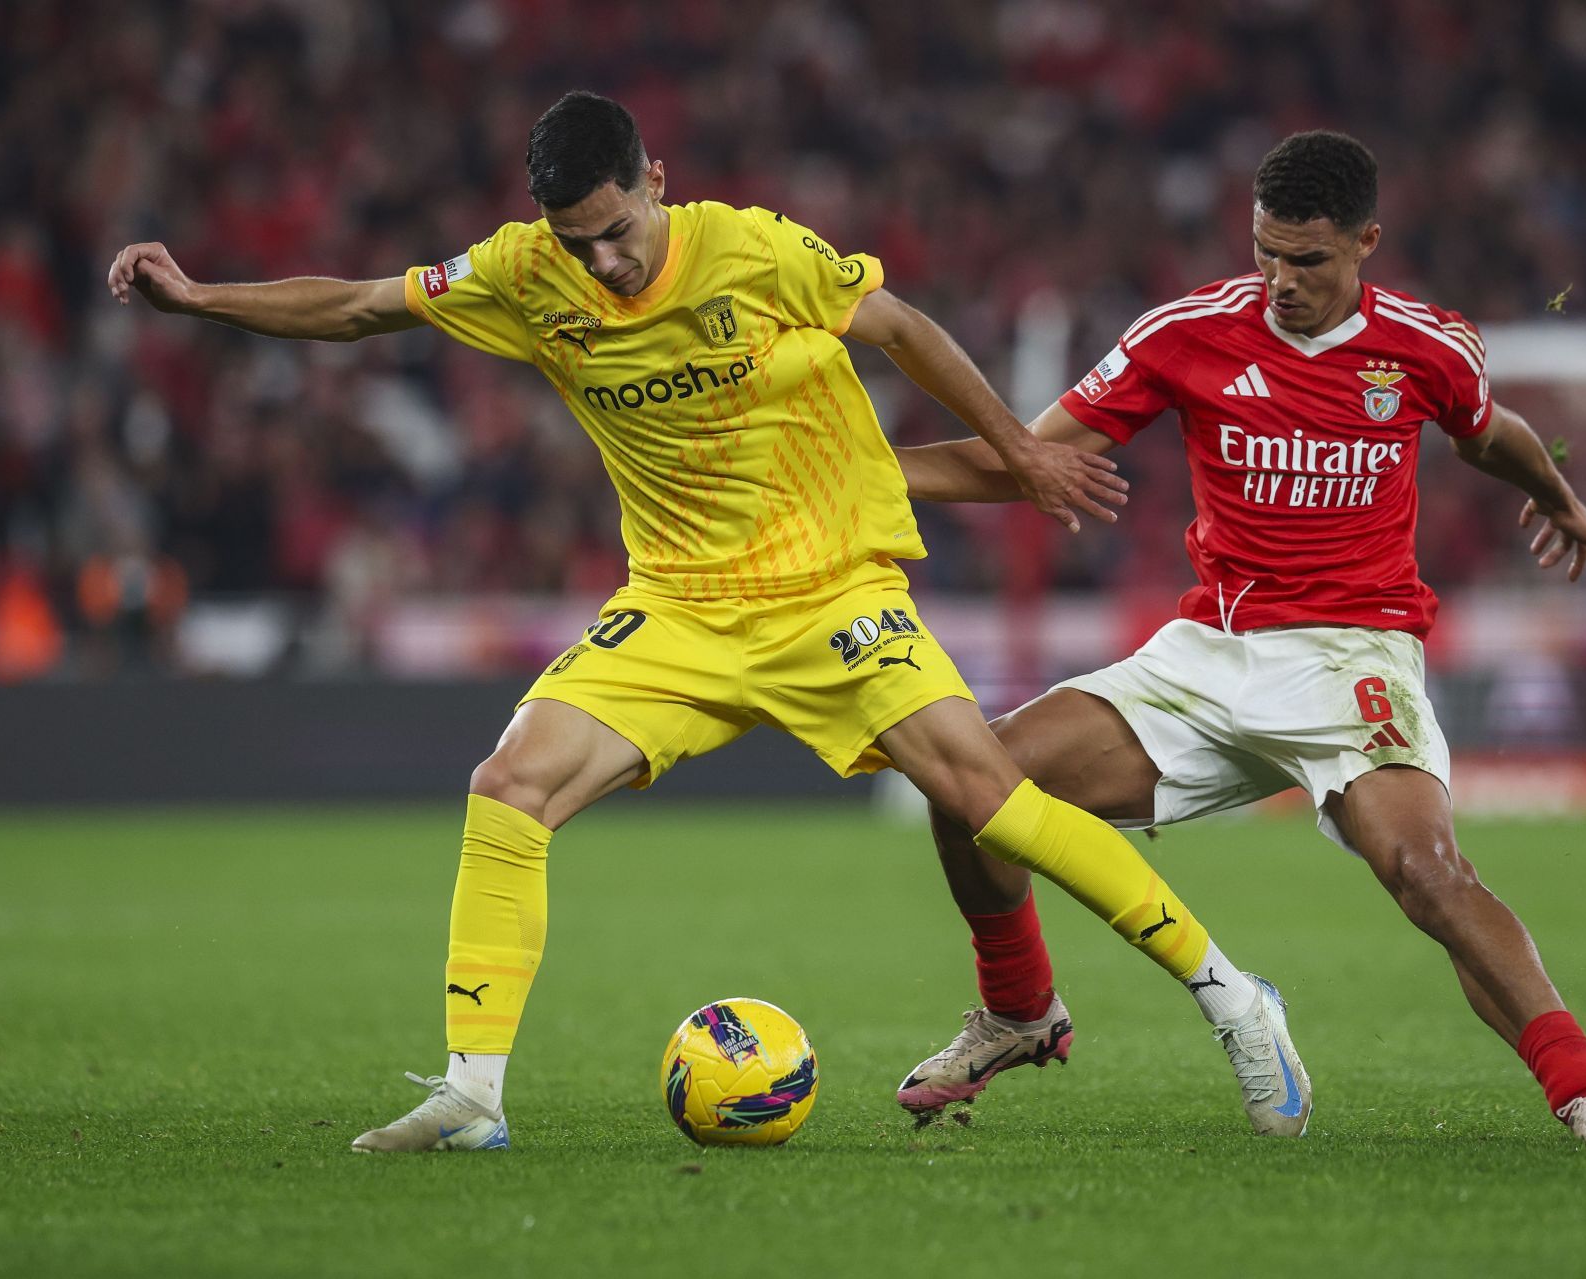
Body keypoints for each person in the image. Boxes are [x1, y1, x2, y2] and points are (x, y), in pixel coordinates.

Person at [106, 91, 1301, 1151]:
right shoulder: (526, 274)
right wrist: (200, 295)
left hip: (832, 585)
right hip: (678, 607)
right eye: (581, 242)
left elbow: (905, 332)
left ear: (657, 185)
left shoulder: (756, 251)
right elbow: (363, 307)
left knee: (986, 797)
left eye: (619, 230)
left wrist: (1023, 460)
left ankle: (1235, 999)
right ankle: (474, 1093)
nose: (607, 263)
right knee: (507, 784)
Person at [894, 130, 1586, 1145]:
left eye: (1308, 260)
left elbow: (1491, 432)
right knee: (966, 783)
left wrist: (1557, 495)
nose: (1281, 280)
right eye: (1265, 253)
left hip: (1353, 655)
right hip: (1207, 654)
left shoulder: (1427, 346)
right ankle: (1021, 1011)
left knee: (1430, 876)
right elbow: (1024, 458)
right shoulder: (1185, 333)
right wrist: (859, 475)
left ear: (1366, 243)